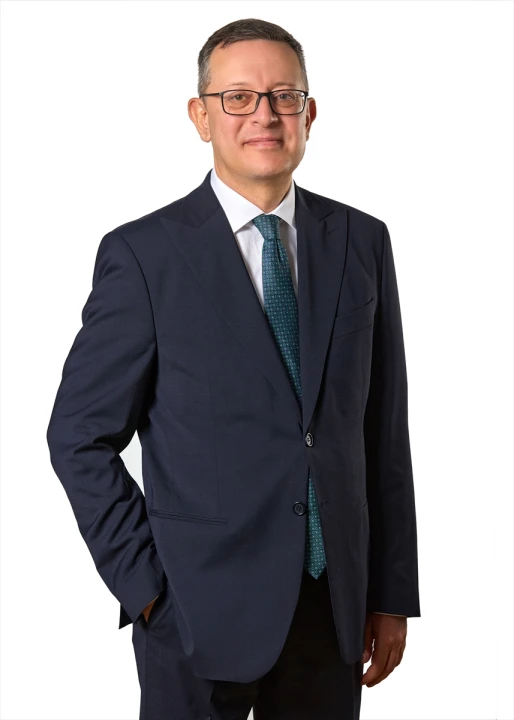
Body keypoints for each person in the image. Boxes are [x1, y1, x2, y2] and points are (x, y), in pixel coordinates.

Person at [46, 17, 421, 720]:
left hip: (332, 608)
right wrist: (147, 588)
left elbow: (381, 431)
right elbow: (77, 436)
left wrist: (391, 592)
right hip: (193, 612)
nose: (265, 115)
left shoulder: (362, 241)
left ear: (310, 113)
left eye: (284, 96)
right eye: (239, 98)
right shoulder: (144, 256)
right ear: (201, 116)